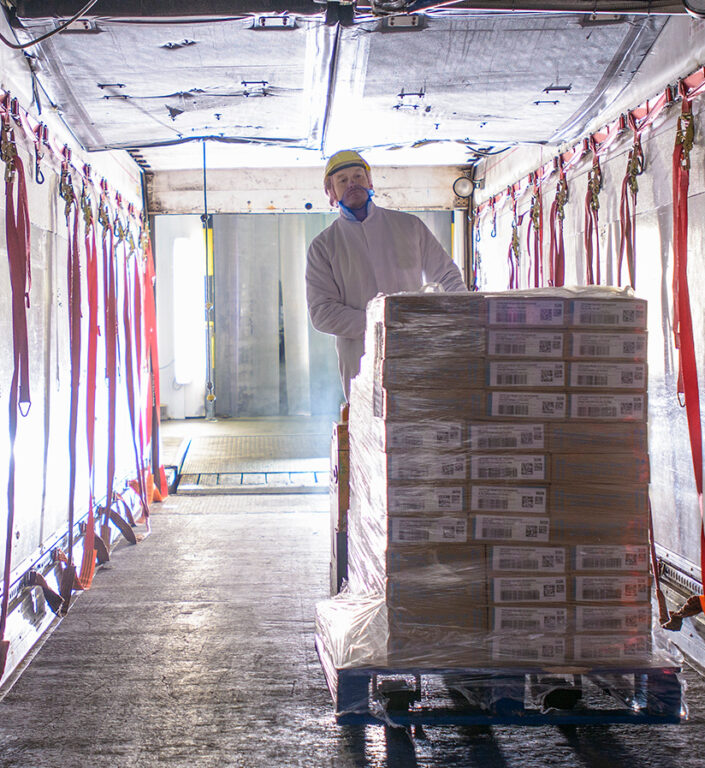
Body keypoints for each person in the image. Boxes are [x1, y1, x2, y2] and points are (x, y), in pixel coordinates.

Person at [305, 149, 468, 399]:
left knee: (417, 420)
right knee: (368, 430)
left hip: (414, 347)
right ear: (330, 193)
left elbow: (447, 277)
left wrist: (459, 321)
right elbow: (322, 313)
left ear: (370, 182)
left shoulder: (409, 226)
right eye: (343, 180)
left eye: (358, 176)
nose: (353, 184)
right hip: (360, 357)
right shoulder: (324, 246)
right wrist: (381, 324)